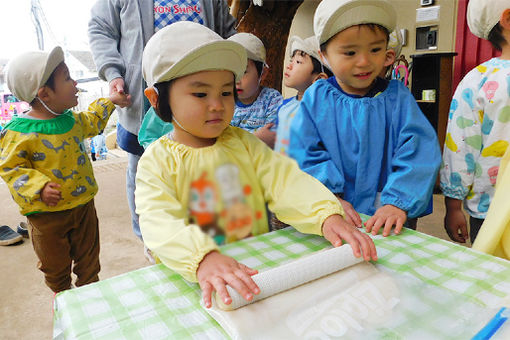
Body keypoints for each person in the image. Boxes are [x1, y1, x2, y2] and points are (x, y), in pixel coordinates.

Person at [135, 22, 377, 309]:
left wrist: (325, 215)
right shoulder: (156, 161)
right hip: (193, 278)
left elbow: (285, 182)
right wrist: (202, 258)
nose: (217, 104)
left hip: (256, 268)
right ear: (157, 99)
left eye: (225, 93)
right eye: (200, 94)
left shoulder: (243, 143)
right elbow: (157, 220)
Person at [288, 0, 441, 237]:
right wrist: (329, 197)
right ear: (324, 56)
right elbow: (303, 151)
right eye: (350, 52)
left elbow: (420, 151)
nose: (364, 61)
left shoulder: (398, 99)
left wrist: (398, 201)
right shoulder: (316, 98)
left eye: (375, 49)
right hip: (334, 213)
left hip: (389, 215)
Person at [88, 0, 237, 243]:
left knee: (203, 166)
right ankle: (150, 241)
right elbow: (101, 28)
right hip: (146, 96)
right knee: (145, 171)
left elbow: (227, 33)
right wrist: (113, 72)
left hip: (202, 96)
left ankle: (205, 237)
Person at [0, 47, 129, 292]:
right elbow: (10, 168)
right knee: (55, 268)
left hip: (83, 208)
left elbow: (92, 120)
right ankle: (62, 300)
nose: (75, 82)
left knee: (90, 264)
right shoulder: (19, 131)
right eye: (68, 78)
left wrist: (111, 101)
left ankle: (90, 295)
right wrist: (38, 186)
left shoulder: (71, 120)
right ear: (45, 94)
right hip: (47, 218)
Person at [441, 0, 510, 244]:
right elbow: (460, 146)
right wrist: (453, 205)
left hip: (489, 205)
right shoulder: (478, 82)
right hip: (491, 209)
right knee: (493, 274)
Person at [274, 35, 332, 156]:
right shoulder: (284, 106)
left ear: (319, 79)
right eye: (291, 60)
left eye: (298, 62)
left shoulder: (324, 112)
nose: (289, 66)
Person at [227, 33, 283, 148]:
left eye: (243, 72)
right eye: (231, 72)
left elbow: (272, 135)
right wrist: (256, 138)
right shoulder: (224, 101)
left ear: (263, 74)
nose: (236, 80)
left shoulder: (271, 100)